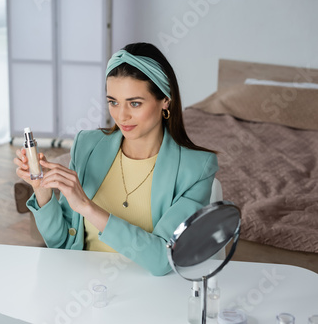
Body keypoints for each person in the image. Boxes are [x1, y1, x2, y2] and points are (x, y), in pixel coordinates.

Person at [13, 42, 218, 276]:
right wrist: (41, 190)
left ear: (165, 101)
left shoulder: (197, 168)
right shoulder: (87, 146)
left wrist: (87, 208)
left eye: (135, 103)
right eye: (113, 102)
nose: (121, 116)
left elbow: (163, 259)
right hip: (84, 289)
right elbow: (61, 243)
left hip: (149, 295)